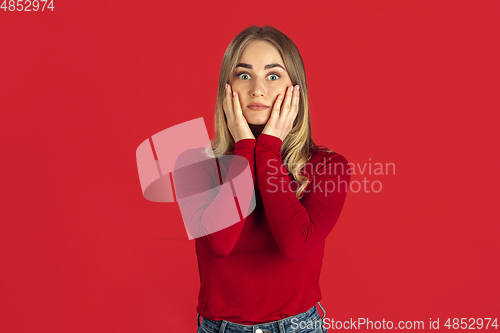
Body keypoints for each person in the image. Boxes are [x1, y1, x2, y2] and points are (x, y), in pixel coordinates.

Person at [175, 25, 351, 333]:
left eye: (273, 75)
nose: (258, 89)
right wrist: (245, 148)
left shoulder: (328, 166)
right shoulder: (193, 166)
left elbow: (295, 244)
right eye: (244, 75)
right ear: (226, 88)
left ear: (296, 89)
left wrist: (267, 148)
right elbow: (219, 243)